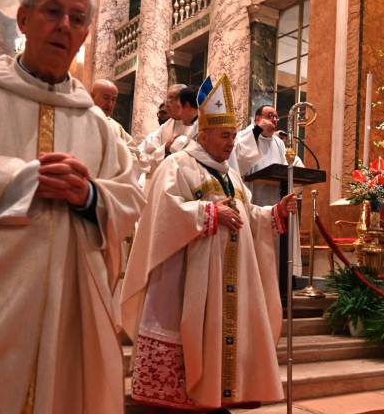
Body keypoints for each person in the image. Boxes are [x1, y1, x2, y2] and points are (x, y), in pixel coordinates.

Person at [0, 0, 145, 412]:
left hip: (70, 308)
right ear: (23, 20)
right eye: (52, 12)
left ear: (84, 36)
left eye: (77, 20)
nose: (64, 26)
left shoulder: (96, 124)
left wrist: (90, 196)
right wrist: (19, 180)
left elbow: (130, 198)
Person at [121, 75, 294, 412]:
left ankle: (213, 397)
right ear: (204, 134)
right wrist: (208, 213)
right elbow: (163, 212)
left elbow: (245, 212)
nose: (231, 143)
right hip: (182, 284)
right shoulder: (177, 165)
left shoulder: (230, 175)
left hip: (222, 284)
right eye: (225, 135)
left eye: (233, 135)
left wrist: (273, 212)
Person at [228, 104, 304, 281]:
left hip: (278, 198)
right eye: (270, 116)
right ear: (257, 119)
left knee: (277, 249)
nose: (274, 120)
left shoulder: (279, 143)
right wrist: (256, 131)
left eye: (276, 117)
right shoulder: (246, 136)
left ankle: (281, 281)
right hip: (257, 200)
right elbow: (238, 163)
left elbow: (295, 166)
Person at [137, 83, 197, 175]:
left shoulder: (198, 126)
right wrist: (165, 148)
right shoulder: (165, 127)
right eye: (167, 98)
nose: (167, 103)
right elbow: (142, 154)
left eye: (172, 98)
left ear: (185, 102)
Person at [90, 78, 140, 166]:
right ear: (91, 96)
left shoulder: (117, 127)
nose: (110, 104)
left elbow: (135, 153)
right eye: (105, 98)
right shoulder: (80, 120)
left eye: (113, 99)